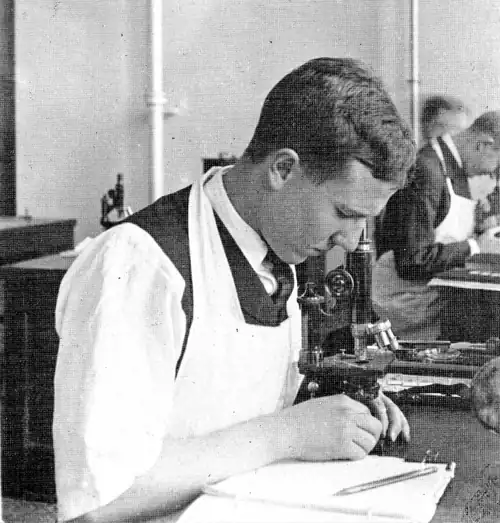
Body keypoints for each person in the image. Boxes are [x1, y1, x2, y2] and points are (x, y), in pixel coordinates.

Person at [53, 57, 415, 523]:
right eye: (344, 213)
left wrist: (338, 406)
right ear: (282, 169)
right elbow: (98, 499)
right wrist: (289, 433)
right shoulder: (140, 264)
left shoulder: (278, 246)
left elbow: (226, 398)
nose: (350, 239)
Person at [373, 110, 500, 341]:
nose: (491, 174)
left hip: (428, 304)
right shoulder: (427, 169)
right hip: (404, 307)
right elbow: (413, 260)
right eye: (497, 165)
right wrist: (475, 246)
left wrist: (479, 228)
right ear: (483, 145)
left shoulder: (452, 167)